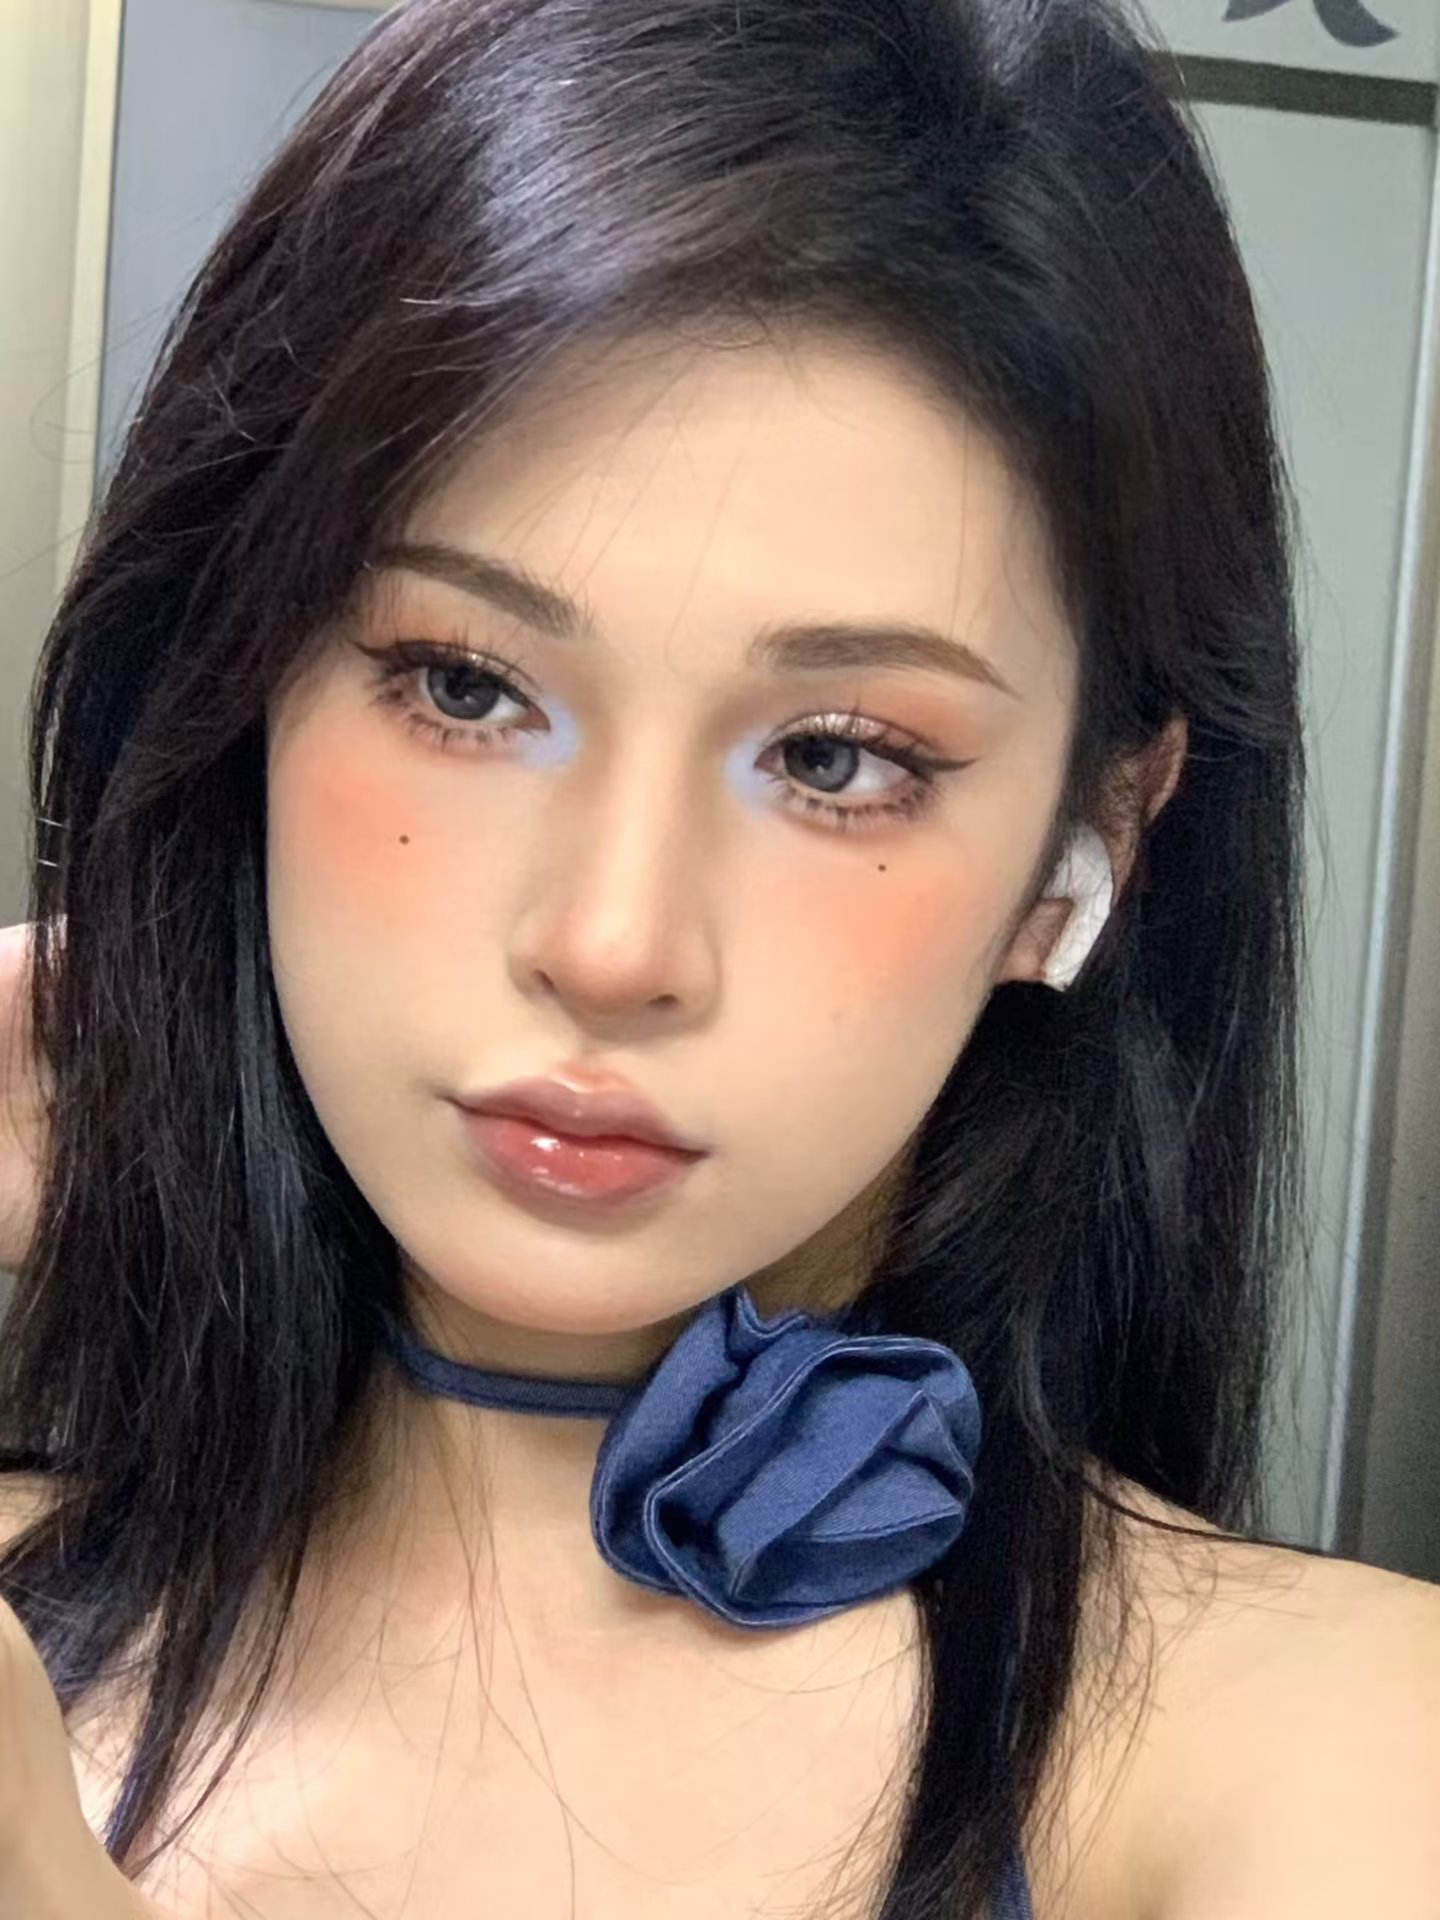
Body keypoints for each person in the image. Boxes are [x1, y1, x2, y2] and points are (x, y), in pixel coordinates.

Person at [0, 0, 1437, 1914]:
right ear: (238, 694)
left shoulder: (1334, 1749)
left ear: (1080, 852)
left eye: (836, 760)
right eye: (464, 686)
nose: (612, 946)